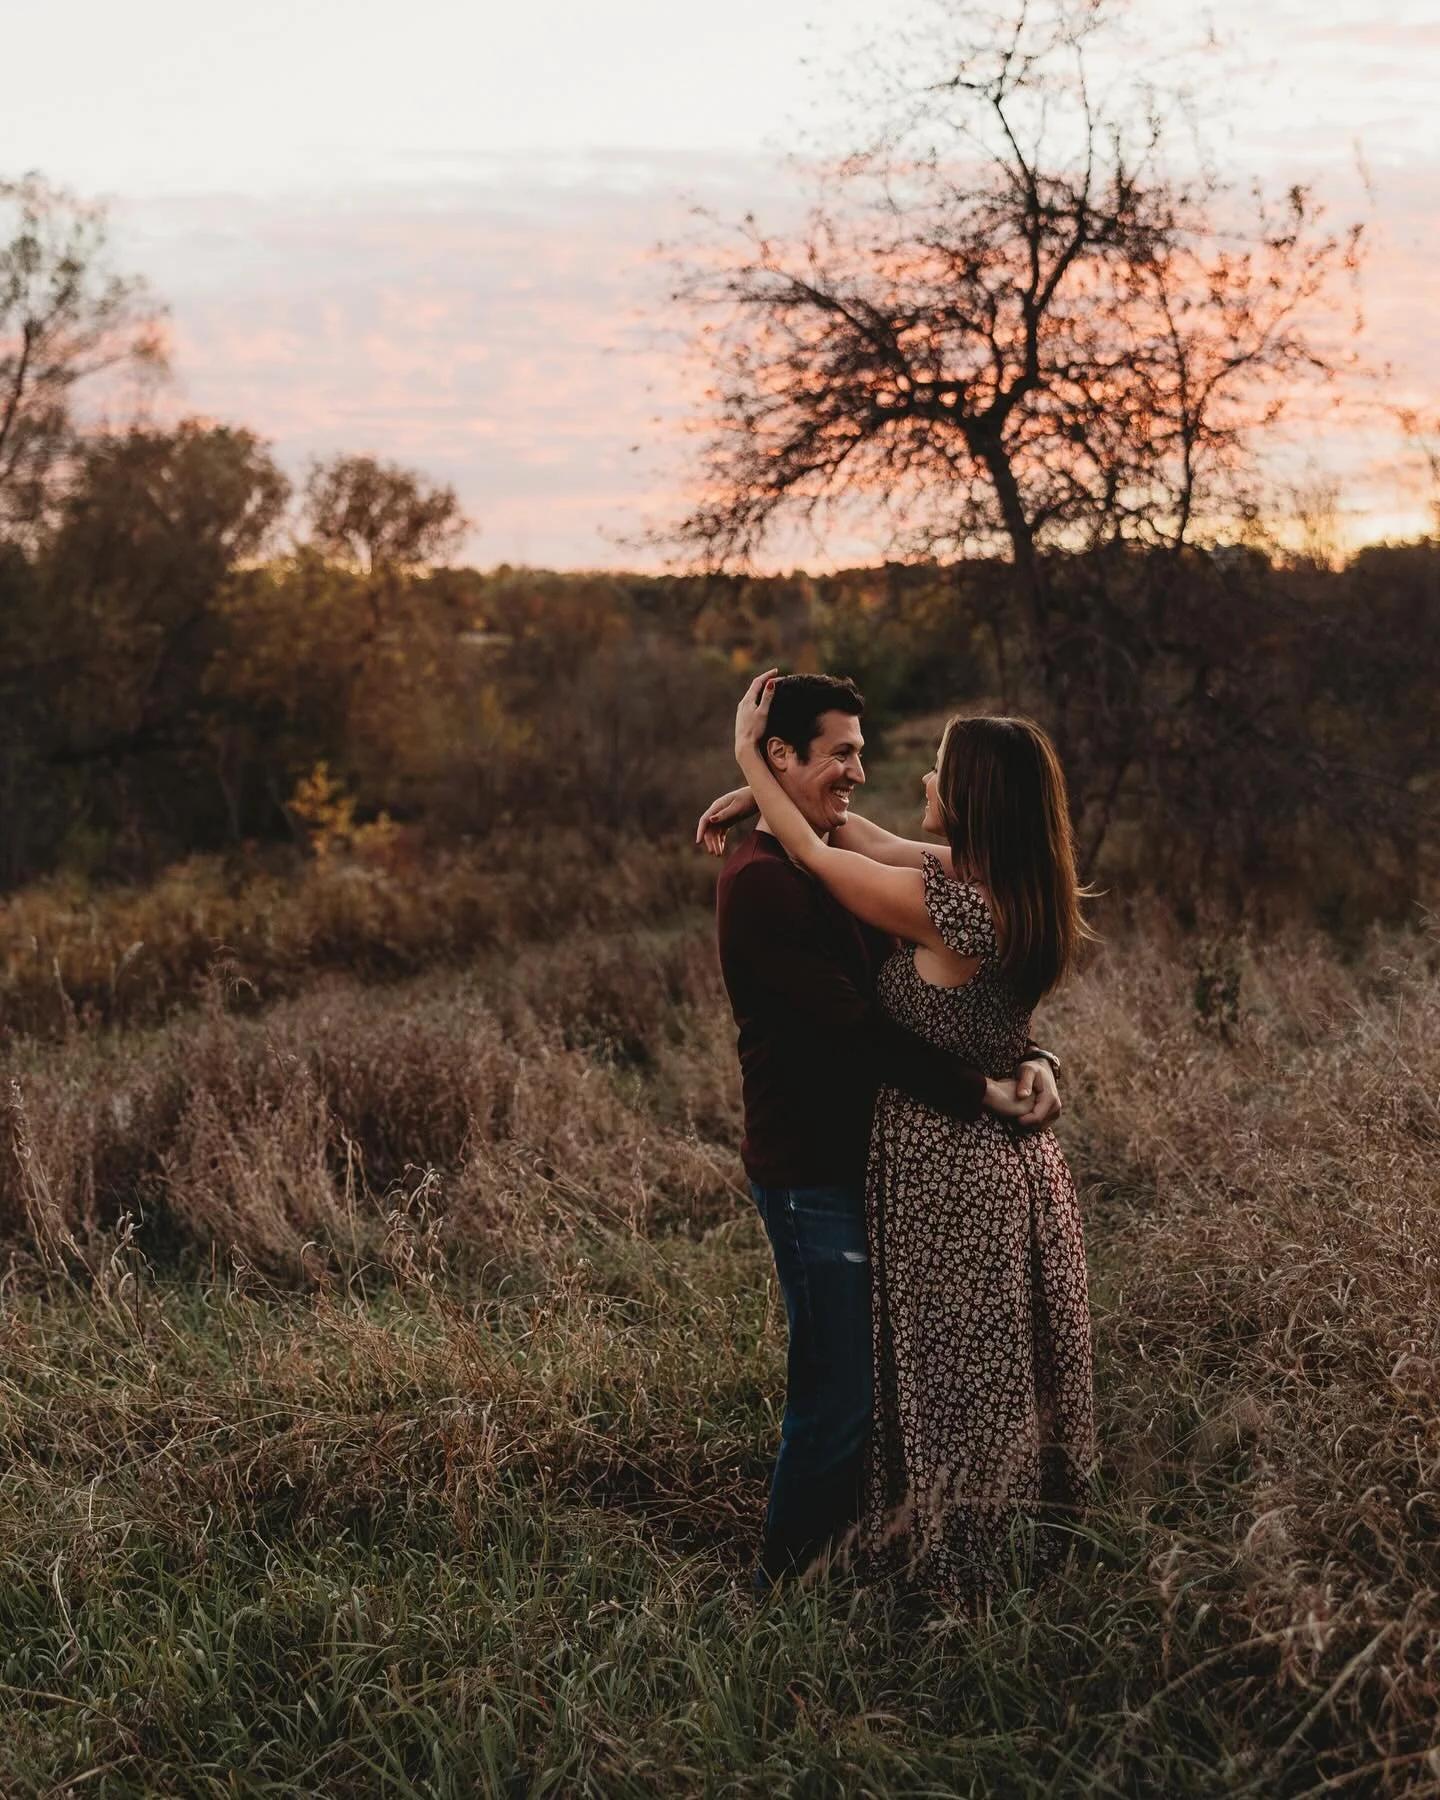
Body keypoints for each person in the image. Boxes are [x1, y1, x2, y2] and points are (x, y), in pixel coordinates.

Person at [729, 671, 1095, 1598]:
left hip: (951, 1167)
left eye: (938, 771)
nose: (920, 780)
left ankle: (957, 1570)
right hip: (990, 1164)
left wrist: (754, 763)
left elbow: (818, 856)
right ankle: (990, 1554)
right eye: (844, 756)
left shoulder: (950, 902)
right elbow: (857, 837)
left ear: (972, 802)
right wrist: (766, 791)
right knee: (977, 1370)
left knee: (950, 1377)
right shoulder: (1008, 882)